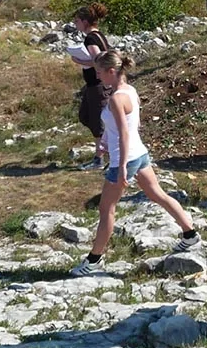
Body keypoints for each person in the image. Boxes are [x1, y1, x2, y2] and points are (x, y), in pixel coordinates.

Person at [70, 52, 199, 276]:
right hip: (139, 154)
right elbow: (131, 126)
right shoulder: (130, 90)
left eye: (99, 72)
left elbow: (124, 133)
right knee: (158, 194)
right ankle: (190, 234)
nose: (97, 76)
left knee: (106, 209)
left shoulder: (116, 99)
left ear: (111, 71)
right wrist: (107, 141)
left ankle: (93, 260)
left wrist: (120, 167)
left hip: (125, 159)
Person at [71, 3, 111, 169]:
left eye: (77, 21)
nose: (75, 24)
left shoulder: (90, 38)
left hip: (98, 85)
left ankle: (99, 159)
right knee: (86, 116)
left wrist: (79, 60)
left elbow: (98, 60)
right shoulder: (99, 35)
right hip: (95, 85)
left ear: (85, 22)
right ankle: (104, 153)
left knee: (97, 122)